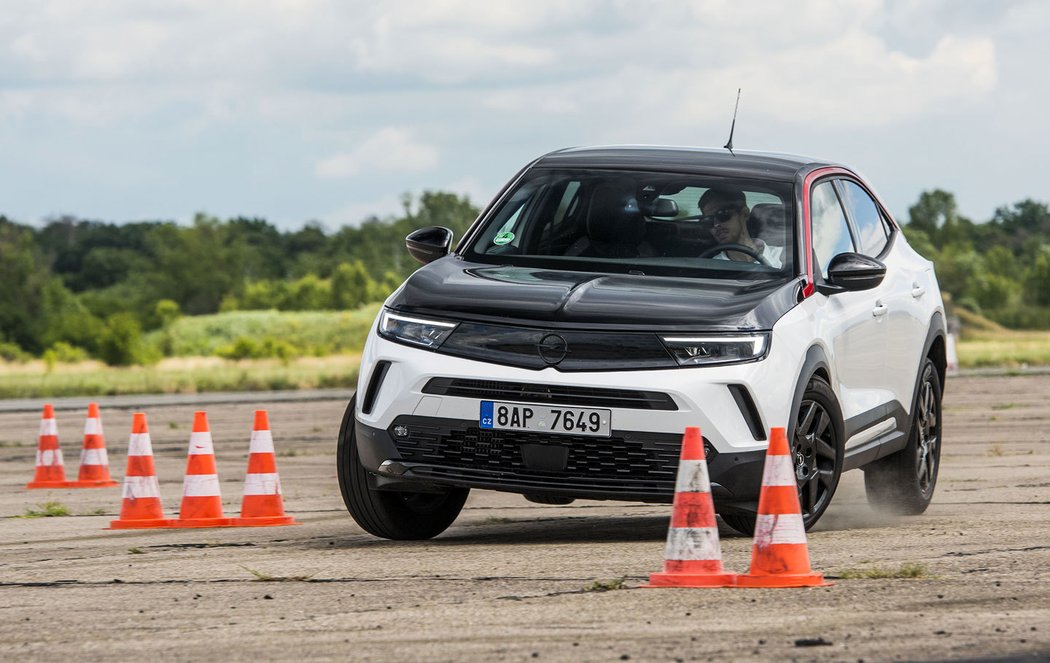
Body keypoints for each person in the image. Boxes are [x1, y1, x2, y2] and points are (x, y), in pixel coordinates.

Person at [698, 186, 783, 267]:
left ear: (744, 214)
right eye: (708, 220)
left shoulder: (783, 256)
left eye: (722, 214)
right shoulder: (712, 266)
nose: (715, 224)